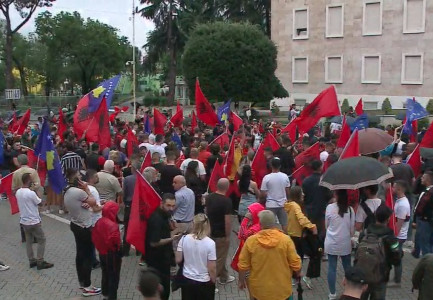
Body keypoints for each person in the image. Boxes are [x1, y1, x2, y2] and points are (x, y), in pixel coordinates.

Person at [238, 210, 302, 300]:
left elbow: (243, 265)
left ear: (260, 224)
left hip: (260, 290)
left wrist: (241, 281)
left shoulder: (251, 241)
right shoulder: (285, 240)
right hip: (282, 289)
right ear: (274, 223)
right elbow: (296, 263)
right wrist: (298, 274)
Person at [63, 168, 101, 297]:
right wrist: (87, 189)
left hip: (75, 223)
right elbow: (93, 201)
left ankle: (82, 282)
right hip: (84, 226)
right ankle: (87, 286)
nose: (82, 177)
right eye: (79, 175)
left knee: (80, 255)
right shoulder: (79, 192)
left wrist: (86, 203)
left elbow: (87, 204)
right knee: (86, 256)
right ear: (76, 178)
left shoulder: (68, 190)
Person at [357, 204, 401, 300]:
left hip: (362, 275)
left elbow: (358, 250)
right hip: (380, 276)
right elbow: (397, 257)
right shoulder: (390, 237)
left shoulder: (365, 233)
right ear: (388, 219)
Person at [145, 193, 180, 300]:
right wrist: (172, 238)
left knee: (165, 289)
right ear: (162, 203)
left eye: (173, 206)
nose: (171, 208)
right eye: (168, 205)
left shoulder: (165, 214)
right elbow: (154, 242)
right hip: (157, 261)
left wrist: (171, 227)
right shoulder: (156, 219)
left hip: (164, 258)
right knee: (162, 291)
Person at [16, 173, 53, 270]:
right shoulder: (31, 193)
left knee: (29, 241)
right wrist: (36, 191)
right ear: (28, 181)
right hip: (33, 221)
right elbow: (40, 203)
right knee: (42, 240)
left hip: (24, 221)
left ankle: (31, 260)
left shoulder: (18, 192)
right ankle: (40, 261)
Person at [176, 213, 217, 299]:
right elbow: (212, 268)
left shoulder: (183, 239)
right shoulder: (210, 244)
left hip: (187, 279)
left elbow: (178, 259)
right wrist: (213, 280)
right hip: (203, 282)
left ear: (193, 224)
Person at [284, 186, 317, 289]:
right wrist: (312, 227)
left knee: (296, 256)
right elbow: (301, 219)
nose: (303, 194)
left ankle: (294, 277)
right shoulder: (295, 206)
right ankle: (297, 276)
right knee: (301, 256)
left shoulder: (290, 205)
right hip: (297, 236)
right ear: (297, 194)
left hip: (292, 234)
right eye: (301, 193)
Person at [325, 190, 355, 300]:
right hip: (345, 243)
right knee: (347, 267)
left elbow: (326, 225)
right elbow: (352, 231)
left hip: (331, 242)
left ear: (336, 195)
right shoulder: (350, 210)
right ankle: (349, 291)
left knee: (331, 268)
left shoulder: (329, 208)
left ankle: (332, 294)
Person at [205, 178, 234, 285]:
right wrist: (227, 236)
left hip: (210, 231)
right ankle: (210, 283)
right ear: (227, 187)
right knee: (219, 258)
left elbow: (207, 213)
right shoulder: (226, 201)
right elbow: (227, 220)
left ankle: (224, 276)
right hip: (221, 234)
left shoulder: (209, 197)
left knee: (218, 256)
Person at [92, 201, 122, 300]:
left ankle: (105, 294)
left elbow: (95, 237)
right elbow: (116, 243)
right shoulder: (113, 226)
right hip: (112, 254)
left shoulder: (99, 221)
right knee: (113, 276)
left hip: (102, 252)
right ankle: (112, 297)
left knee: (105, 273)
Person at [302, 160, 333, 244]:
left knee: (311, 231)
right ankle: (321, 250)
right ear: (320, 167)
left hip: (309, 210)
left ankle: (310, 250)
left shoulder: (306, 181)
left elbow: (303, 196)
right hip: (322, 210)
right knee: (322, 232)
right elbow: (330, 196)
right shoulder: (325, 180)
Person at [260, 157, 290, 232]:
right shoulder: (285, 176)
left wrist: (269, 194)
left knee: (269, 225)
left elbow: (263, 193)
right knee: (284, 224)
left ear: (271, 166)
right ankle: (285, 240)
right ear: (280, 166)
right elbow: (287, 191)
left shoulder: (266, 178)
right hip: (283, 203)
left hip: (270, 204)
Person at [391, 180, 411, 286]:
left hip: (399, 236)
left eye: (394, 187)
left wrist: (394, 236)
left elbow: (399, 223)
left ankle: (397, 280)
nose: (392, 189)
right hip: (399, 235)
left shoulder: (403, 204)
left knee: (397, 257)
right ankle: (396, 278)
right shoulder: (400, 200)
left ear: (399, 189)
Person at [122, 160, 140, 256]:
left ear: (133, 168)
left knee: (127, 228)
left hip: (129, 205)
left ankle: (125, 251)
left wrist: (124, 202)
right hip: (138, 207)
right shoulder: (142, 179)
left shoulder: (127, 179)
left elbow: (124, 192)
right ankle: (138, 250)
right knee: (138, 228)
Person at [413, 171, 433, 257]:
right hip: (420, 217)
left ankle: (427, 258)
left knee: (425, 241)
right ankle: (416, 252)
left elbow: (427, 206)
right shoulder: (425, 190)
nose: (421, 179)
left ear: (428, 180)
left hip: (425, 220)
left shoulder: (430, 193)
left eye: (423, 178)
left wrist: (426, 217)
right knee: (418, 236)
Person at [172, 175, 195, 242]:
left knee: (177, 245)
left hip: (180, 224)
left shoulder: (178, 195)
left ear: (181, 184)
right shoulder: (191, 191)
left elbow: (172, 208)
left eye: (175, 182)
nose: (173, 184)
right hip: (190, 223)